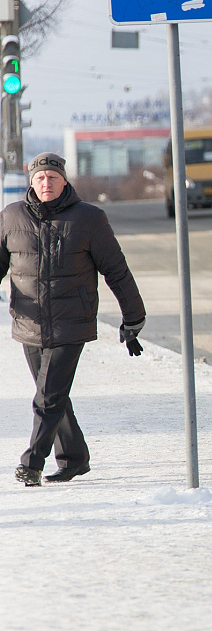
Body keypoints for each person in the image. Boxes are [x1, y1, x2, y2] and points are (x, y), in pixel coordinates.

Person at [1, 152, 146, 487]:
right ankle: (75, 459)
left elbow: (117, 271)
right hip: (29, 323)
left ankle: (31, 463)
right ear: (31, 181)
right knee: (53, 395)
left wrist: (133, 319)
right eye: (40, 178)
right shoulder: (10, 217)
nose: (46, 183)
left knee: (47, 397)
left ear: (64, 180)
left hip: (72, 321)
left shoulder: (89, 219)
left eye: (53, 177)